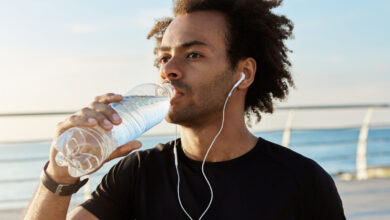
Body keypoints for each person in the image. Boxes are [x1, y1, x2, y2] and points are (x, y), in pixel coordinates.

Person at [24, 0, 346, 219]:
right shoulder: (138, 174)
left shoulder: (303, 183)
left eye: (192, 55)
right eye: (164, 57)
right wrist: (59, 176)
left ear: (243, 73)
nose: (169, 70)